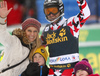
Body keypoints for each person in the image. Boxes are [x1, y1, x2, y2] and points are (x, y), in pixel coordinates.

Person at [41, 0, 91, 76]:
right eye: (48, 11)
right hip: (52, 72)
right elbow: (38, 46)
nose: (51, 14)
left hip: (70, 70)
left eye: (54, 10)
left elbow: (85, 14)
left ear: (60, 9)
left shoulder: (70, 24)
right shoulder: (46, 30)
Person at [0, 1, 41, 76]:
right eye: (29, 30)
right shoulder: (15, 41)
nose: (32, 34)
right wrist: (2, 18)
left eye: (35, 31)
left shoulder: (34, 51)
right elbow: (2, 35)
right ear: (24, 31)